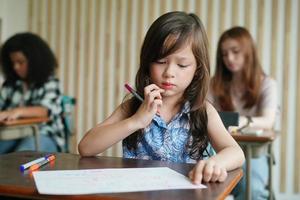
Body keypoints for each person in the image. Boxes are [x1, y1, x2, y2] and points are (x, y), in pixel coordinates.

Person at [78, 11, 244, 184]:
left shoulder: (202, 110)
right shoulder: (133, 107)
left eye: (182, 65)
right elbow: (86, 147)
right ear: (147, 62)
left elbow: (236, 152)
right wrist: (136, 121)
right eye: (160, 61)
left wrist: (214, 163)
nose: (169, 73)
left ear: (197, 70)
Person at [209, 26, 278, 199]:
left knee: (253, 191)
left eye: (235, 51)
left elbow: (268, 121)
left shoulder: (267, 84)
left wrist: (235, 122)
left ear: (248, 52)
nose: (229, 58)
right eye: (224, 54)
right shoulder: (214, 83)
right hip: (219, 149)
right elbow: (205, 116)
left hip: (252, 152)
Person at [0, 32, 65, 153]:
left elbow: (45, 110)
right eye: (13, 62)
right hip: (12, 134)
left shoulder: (50, 82)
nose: (16, 67)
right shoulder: (10, 85)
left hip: (45, 133)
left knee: (22, 155)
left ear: (35, 61)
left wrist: (17, 111)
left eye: (20, 62)